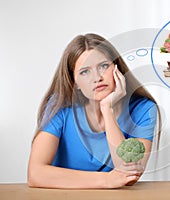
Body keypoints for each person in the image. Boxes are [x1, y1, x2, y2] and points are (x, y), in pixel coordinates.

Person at [27, 33, 161, 189]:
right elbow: (35, 174)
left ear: (117, 68)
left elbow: (129, 175)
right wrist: (107, 180)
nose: (97, 77)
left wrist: (107, 109)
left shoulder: (143, 109)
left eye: (103, 66)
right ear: (74, 82)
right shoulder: (60, 107)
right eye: (84, 72)